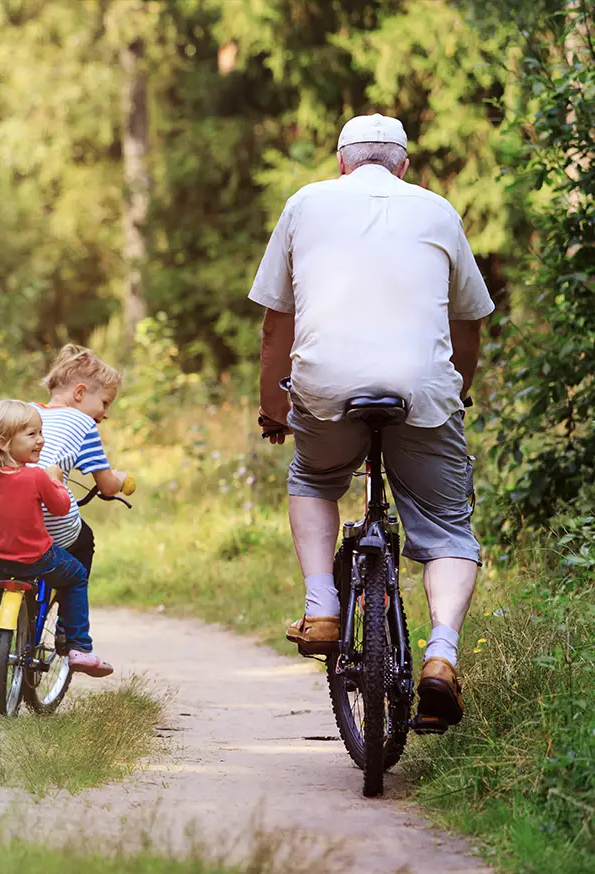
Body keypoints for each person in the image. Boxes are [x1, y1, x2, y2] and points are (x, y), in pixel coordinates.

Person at [249, 113, 494, 729]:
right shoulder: (437, 209)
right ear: (402, 166)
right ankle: (441, 656)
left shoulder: (305, 204)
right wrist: (455, 391)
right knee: (447, 529)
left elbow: (277, 322)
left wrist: (273, 409)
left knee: (313, 478)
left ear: (340, 162)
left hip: (326, 390)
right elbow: (470, 322)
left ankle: (323, 607)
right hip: (423, 394)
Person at [0, 399, 114, 694]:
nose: (41, 441)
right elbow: (60, 508)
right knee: (75, 575)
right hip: (37, 559)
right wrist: (56, 481)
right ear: (3, 442)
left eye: (41, 433)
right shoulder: (37, 475)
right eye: (33, 435)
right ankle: (78, 647)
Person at [30, 344, 129, 572]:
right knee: (84, 541)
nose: (105, 414)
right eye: (105, 402)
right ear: (80, 393)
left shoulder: (25, 412)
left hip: (3, 518)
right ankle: (71, 606)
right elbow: (107, 486)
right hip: (51, 524)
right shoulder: (83, 423)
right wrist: (120, 480)